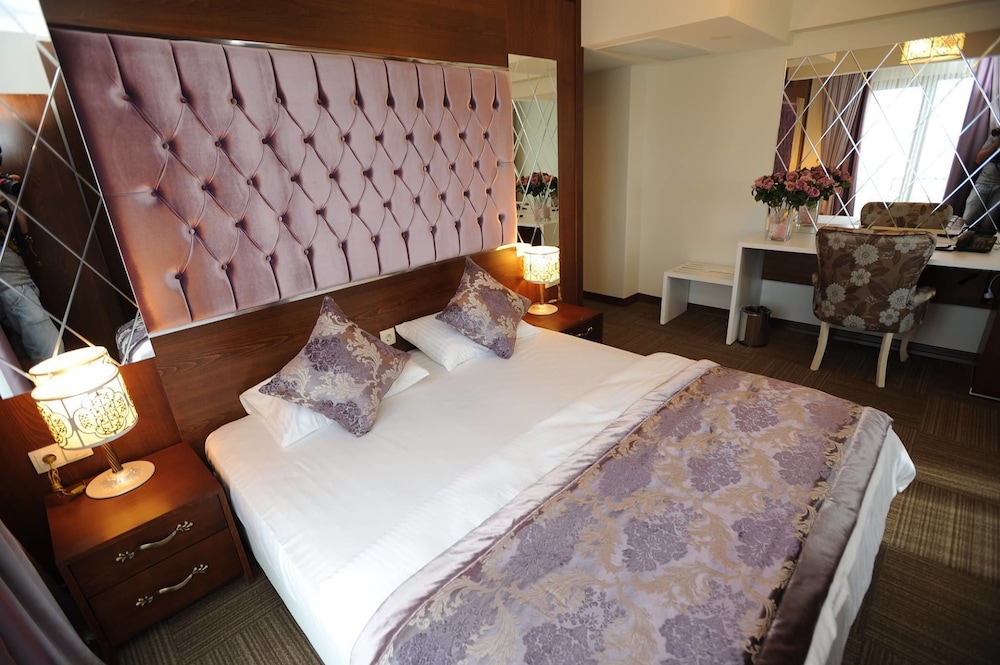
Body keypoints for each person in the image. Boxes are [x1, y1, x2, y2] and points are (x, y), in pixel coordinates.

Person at [0, 170, 63, 368]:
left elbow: (21, 227)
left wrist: (10, 195)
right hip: (10, 286)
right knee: (51, 352)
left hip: (19, 283)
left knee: (24, 358)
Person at [962, 128, 1000, 235]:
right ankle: (963, 237)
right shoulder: (995, 138)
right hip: (983, 181)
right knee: (970, 214)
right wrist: (996, 144)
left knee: (989, 221)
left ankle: (982, 241)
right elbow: (979, 159)